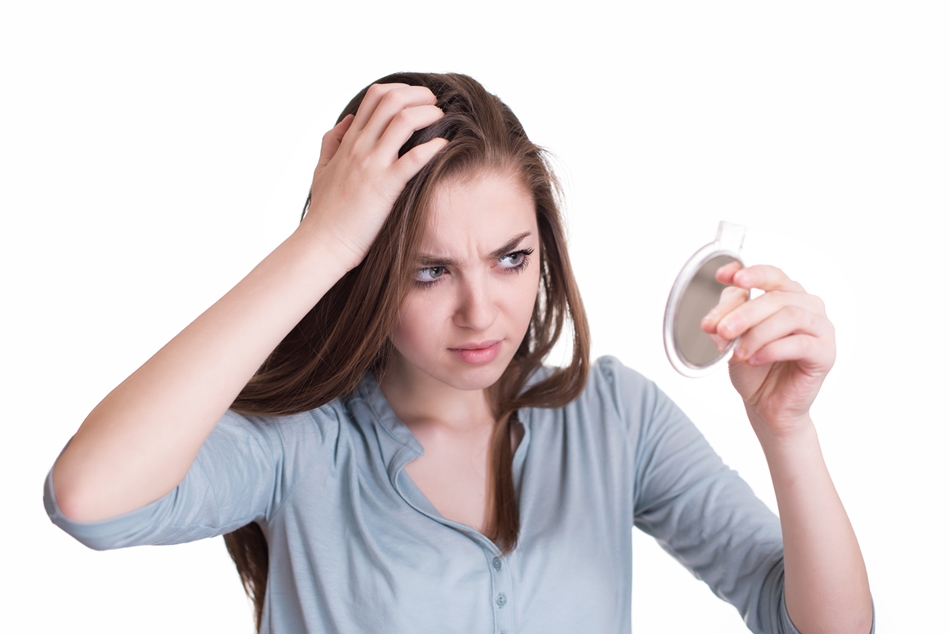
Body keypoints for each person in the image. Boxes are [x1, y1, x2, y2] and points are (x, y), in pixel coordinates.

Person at [43, 72, 873, 634]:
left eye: (511, 258)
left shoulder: (614, 419)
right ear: (365, 273)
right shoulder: (301, 445)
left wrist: (786, 431)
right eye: (429, 271)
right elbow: (89, 499)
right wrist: (324, 238)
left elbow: (821, 622)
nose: (483, 311)